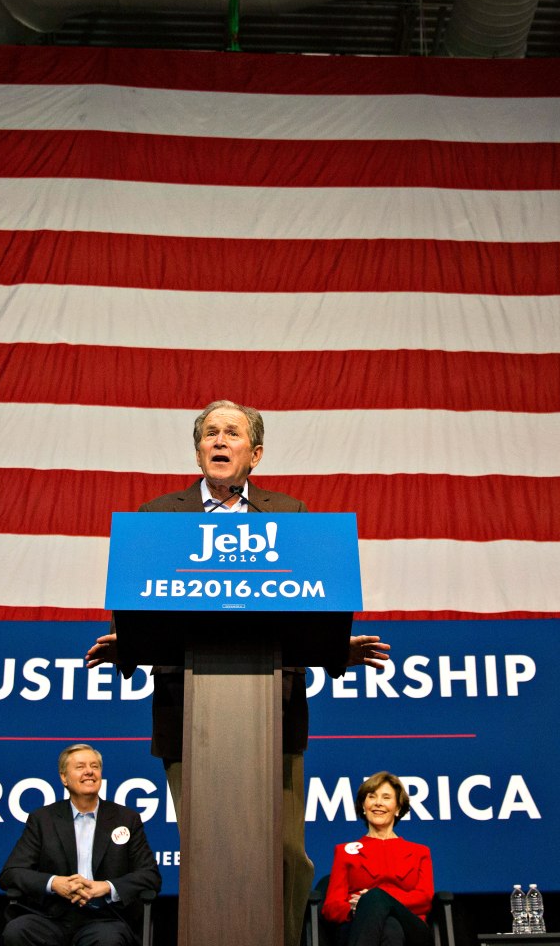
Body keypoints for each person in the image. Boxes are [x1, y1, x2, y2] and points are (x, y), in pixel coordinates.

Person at [85, 399, 390, 946]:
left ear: (256, 454)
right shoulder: (159, 516)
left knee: (286, 854)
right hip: (187, 713)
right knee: (210, 851)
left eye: (232, 432)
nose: (220, 440)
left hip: (275, 714)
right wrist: (128, 645)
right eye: (210, 433)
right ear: (198, 450)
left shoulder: (289, 514)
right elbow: (137, 605)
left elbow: (310, 605)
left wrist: (330, 648)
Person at [0, 743, 161, 946]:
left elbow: (150, 876)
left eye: (94, 766)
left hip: (104, 918)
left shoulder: (126, 818)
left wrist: (106, 887)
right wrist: (55, 883)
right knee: (18, 931)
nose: (89, 772)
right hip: (51, 916)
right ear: (64, 778)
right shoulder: (43, 819)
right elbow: (11, 873)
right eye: (80, 766)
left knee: (109, 940)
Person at [321, 772, 434, 946]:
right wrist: (362, 908)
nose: (378, 803)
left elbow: (424, 899)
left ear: (398, 808)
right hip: (358, 924)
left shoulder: (420, 852)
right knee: (390, 928)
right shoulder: (344, 851)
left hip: (412, 928)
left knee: (375, 898)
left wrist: (374, 899)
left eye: (386, 797)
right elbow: (331, 907)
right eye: (371, 797)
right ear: (363, 806)